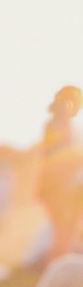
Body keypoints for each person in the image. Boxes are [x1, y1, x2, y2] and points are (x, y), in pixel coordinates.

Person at [37, 85, 83, 262]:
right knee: (63, 234)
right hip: (61, 188)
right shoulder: (58, 126)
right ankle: (54, 273)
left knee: (66, 233)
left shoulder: (58, 125)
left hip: (63, 187)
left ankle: (57, 271)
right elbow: (61, 159)